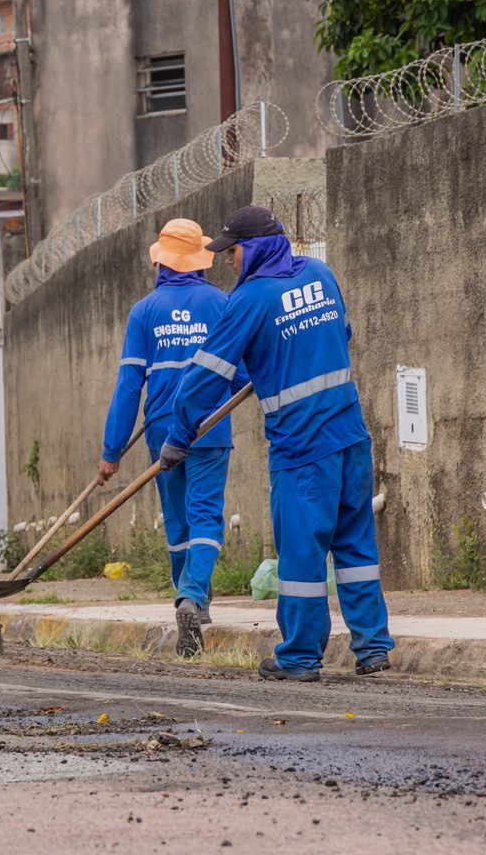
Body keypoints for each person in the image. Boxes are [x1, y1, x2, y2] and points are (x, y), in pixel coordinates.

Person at [163, 206, 394, 681]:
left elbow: (204, 378)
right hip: (352, 438)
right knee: (355, 548)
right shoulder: (321, 273)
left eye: (234, 250)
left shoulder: (249, 299)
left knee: (302, 556)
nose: (228, 260)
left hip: (303, 451)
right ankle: (373, 648)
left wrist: (178, 435)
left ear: (257, 247)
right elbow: (340, 334)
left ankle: (299, 658)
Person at [96, 218, 242, 659]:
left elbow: (127, 387)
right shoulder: (222, 303)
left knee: (178, 520)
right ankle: (194, 597)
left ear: (161, 259)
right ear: (200, 258)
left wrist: (112, 450)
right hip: (211, 424)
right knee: (206, 516)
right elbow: (243, 371)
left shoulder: (144, 311)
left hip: (162, 431)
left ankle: (189, 594)